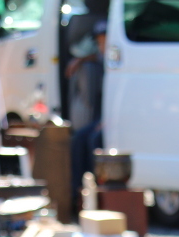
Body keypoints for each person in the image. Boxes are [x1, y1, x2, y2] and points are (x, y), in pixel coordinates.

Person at [67, 18, 106, 207]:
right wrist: (79, 60)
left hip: (115, 117)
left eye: (103, 39)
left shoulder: (118, 55)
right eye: (98, 40)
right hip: (105, 117)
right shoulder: (100, 57)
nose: (101, 44)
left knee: (94, 140)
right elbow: (94, 57)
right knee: (79, 139)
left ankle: (98, 192)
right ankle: (78, 194)